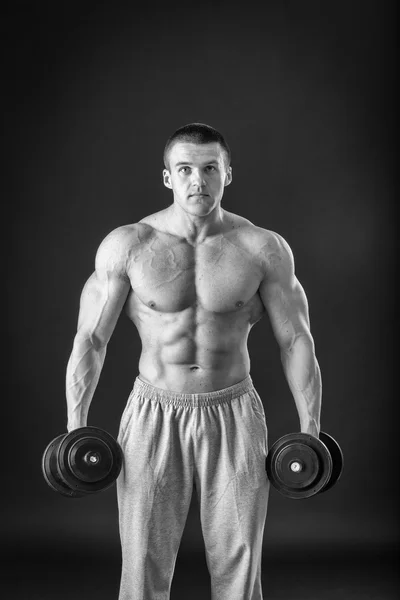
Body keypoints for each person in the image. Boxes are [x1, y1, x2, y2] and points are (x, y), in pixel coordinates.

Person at [65, 123, 321, 600]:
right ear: (167, 177)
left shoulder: (263, 249)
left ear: (228, 173)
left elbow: (296, 340)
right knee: (141, 562)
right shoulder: (129, 246)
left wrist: (311, 427)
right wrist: (75, 424)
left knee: (240, 561)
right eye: (185, 169)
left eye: (209, 169)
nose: (197, 181)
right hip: (152, 414)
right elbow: (91, 339)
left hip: (235, 412)